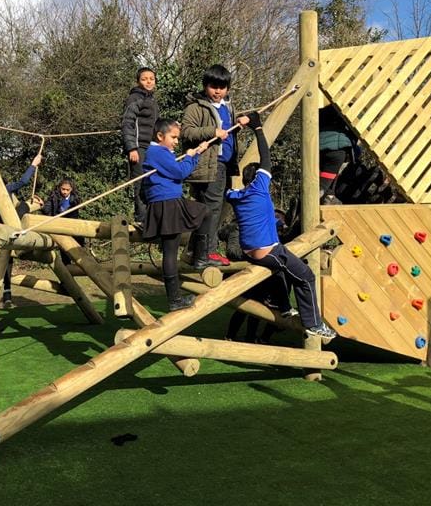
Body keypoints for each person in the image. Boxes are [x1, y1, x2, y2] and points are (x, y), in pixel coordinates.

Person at [225, 113, 337, 340]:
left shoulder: (235, 195)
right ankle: (314, 324)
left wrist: (231, 138)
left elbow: (228, 179)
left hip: (250, 250)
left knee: (281, 272)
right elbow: (266, 158)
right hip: (268, 251)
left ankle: (282, 305)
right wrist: (257, 127)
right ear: (257, 178)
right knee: (305, 276)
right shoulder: (259, 188)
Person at [181, 64, 248, 268]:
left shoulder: (228, 108)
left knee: (210, 210)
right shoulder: (196, 107)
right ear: (205, 86)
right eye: (213, 86)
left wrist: (240, 123)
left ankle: (194, 251)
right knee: (211, 210)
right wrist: (212, 131)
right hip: (209, 165)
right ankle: (207, 253)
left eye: (222, 87)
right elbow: (186, 132)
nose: (218, 91)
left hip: (225, 165)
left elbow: (230, 132)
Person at [141, 119, 210, 311]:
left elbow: (176, 170)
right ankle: (174, 300)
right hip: (166, 202)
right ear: (160, 136)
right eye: (173, 137)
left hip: (171, 200)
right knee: (170, 251)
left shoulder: (163, 152)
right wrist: (190, 157)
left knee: (205, 212)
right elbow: (180, 172)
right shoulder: (157, 152)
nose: (176, 142)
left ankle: (200, 256)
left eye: (177, 138)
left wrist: (196, 153)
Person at [0, 154, 42, 308]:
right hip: (5, 229)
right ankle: (6, 296)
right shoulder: (3, 189)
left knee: (3, 262)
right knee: (24, 207)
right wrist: (34, 164)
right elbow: (23, 181)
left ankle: (6, 296)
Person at [120, 67, 158, 225]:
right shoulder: (135, 98)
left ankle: (152, 218)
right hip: (139, 147)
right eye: (144, 79)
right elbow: (128, 123)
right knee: (140, 182)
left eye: (151, 78)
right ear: (138, 81)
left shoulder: (152, 100)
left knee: (153, 181)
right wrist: (132, 148)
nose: (148, 81)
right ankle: (141, 219)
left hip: (152, 147)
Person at [319, 104, 358, 205]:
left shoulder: (324, 112)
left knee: (323, 177)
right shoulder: (348, 114)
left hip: (318, 149)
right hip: (338, 151)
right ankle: (325, 195)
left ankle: (328, 194)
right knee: (322, 186)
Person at [42, 177, 85, 264]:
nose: (64, 192)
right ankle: (67, 266)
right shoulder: (54, 197)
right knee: (64, 248)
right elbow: (47, 209)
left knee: (80, 240)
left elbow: (74, 216)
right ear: (59, 188)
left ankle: (81, 260)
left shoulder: (74, 199)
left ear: (71, 189)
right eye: (63, 189)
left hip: (70, 225)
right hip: (58, 226)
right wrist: (43, 207)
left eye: (67, 190)